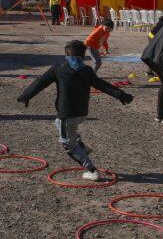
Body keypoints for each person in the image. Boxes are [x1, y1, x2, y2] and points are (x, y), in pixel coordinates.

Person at [17, 40, 133, 180]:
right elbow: (102, 85)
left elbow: (40, 82)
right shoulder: (87, 70)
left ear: (66, 54)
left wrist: (26, 95)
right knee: (59, 123)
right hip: (82, 113)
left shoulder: (59, 68)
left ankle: (91, 170)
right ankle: (81, 147)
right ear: (84, 56)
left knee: (68, 145)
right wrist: (121, 95)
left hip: (68, 114)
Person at [146, 13, 163, 77]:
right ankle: (156, 73)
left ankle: (150, 72)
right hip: (154, 37)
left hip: (151, 35)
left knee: (155, 54)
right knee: (157, 55)